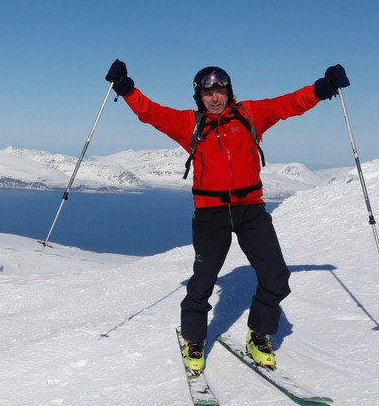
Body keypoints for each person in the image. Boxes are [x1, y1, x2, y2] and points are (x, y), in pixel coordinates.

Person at [104, 59, 350, 372]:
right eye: (208, 93)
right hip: (211, 214)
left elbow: (289, 104)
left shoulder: (249, 114)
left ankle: (258, 334)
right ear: (199, 97)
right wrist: (126, 88)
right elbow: (151, 113)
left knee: (276, 277)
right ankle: (194, 338)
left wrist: (323, 87)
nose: (215, 97)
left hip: (251, 210)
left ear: (228, 91)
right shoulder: (190, 125)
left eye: (220, 90)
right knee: (203, 283)